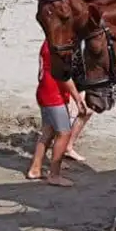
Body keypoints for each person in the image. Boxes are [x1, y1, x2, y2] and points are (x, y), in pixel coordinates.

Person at [27, 40, 88, 187]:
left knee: (48, 132)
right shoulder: (58, 48)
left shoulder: (47, 43)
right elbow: (63, 77)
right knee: (64, 133)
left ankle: (35, 169)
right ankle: (54, 175)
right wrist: (78, 99)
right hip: (54, 95)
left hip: (45, 91)